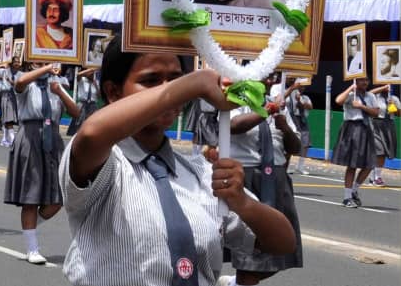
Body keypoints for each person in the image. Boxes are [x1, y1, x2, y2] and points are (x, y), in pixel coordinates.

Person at [60, 35, 296, 285]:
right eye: (150, 80)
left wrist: (243, 202)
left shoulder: (200, 173)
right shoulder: (104, 166)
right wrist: (194, 84)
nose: (169, 90)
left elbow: (283, 243)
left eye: (175, 79)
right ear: (113, 91)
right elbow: (91, 133)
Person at [228, 72, 303, 285]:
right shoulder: (234, 101)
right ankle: (240, 281)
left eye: (272, 77)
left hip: (277, 179)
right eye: (265, 77)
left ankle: (236, 283)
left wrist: (285, 127)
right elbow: (233, 126)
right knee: (250, 257)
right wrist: (265, 112)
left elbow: (295, 147)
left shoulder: (279, 106)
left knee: (284, 249)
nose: (269, 81)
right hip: (248, 179)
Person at [7, 62, 80, 264]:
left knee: (58, 197)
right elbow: (19, 82)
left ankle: (29, 226)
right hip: (30, 137)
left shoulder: (58, 82)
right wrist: (46, 68)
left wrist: (60, 91)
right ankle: (32, 248)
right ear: (32, 62)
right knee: (31, 196)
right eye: (40, 61)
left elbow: (76, 113)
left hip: (53, 138)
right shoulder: (26, 81)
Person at [333, 78, 379, 208]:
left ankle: (354, 189)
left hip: (366, 129)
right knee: (352, 164)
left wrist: (362, 106)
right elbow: (338, 101)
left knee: (370, 163)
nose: (365, 83)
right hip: (352, 128)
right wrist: (350, 88)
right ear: (356, 81)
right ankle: (347, 198)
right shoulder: (350, 94)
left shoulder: (370, 96)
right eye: (361, 80)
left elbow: (376, 112)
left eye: (366, 80)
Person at [367, 85, 398, 187]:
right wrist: (383, 88)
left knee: (384, 152)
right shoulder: (375, 97)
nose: (388, 88)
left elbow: (399, 113)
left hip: (389, 124)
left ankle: (373, 177)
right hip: (376, 124)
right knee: (379, 150)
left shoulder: (393, 98)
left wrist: (394, 108)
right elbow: (370, 92)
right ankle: (377, 178)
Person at [286, 80, 313, 175]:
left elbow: (310, 106)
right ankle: (288, 165)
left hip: (303, 120)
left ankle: (300, 166)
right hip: (293, 118)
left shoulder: (305, 97)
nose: (302, 88)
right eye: (300, 86)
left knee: (305, 142)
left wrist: (300, 101)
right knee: (292, 141)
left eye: (304, 87)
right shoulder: (290, 95)